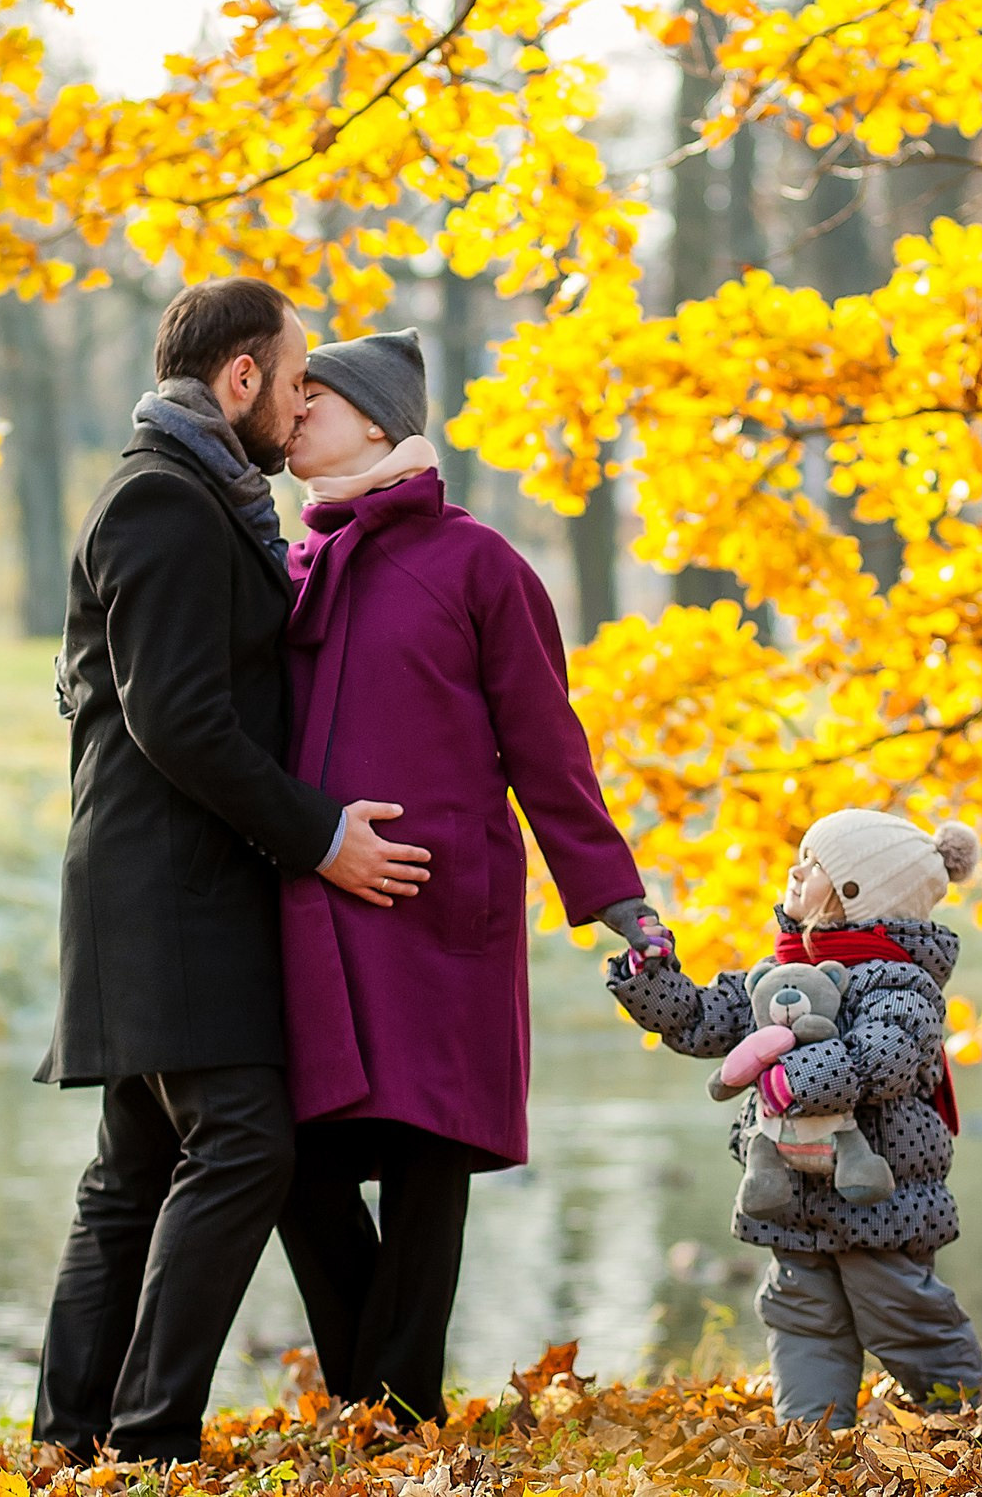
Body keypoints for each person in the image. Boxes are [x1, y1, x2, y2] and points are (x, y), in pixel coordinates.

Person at [34, 279, 434, 1464]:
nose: (305, 396)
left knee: (134, 1171)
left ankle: (75, 1438)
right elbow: (178, 717)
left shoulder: (197, 494)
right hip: (164, 893)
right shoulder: (160, 500)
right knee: (247, 1140)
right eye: (296, 374)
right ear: (242, 377)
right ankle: (147, 1436)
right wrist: (321, 835)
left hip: (177, 888)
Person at [272, 327, 660, 1425]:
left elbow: (547, 741)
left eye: (319, 399)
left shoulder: (477, 560)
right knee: (291, 1154)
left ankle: (393, 1413)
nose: (295, 412)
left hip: (443, 912)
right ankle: (374, 1401)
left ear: (382, 421)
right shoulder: (287, 564)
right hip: (314, 909)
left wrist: (610, 892)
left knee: (424, 1155)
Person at [604, 809, 982, 1422]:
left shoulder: (900, 983)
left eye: (815, 865)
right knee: (801, 1318)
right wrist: (651, 978)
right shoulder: (779, 972)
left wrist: (797, 1082)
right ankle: (812, 1441)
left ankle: (972, 1417)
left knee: (901, 1314)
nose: (796, 869)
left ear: (856, 896)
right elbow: (704, 1019)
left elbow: (883, 1056)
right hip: (793, 1196)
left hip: (879, 1199)